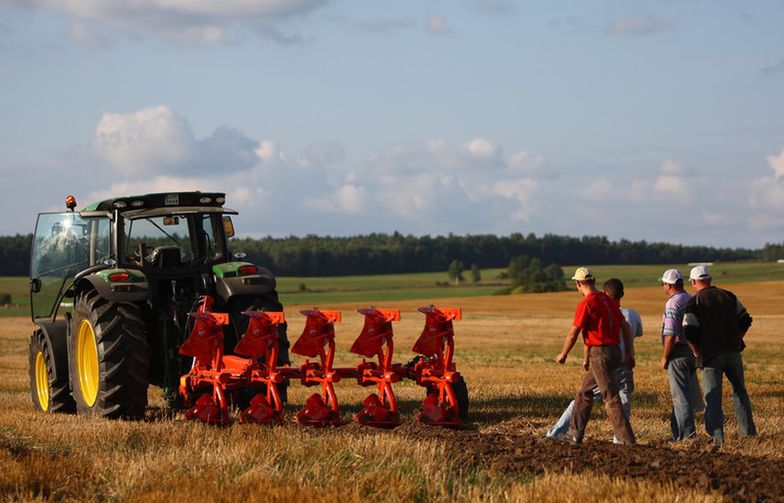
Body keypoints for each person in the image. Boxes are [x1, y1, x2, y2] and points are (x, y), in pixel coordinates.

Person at [546, 278, 642, 442]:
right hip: (617, 355)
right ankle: (574, 434)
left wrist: (564, 354)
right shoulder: (610, 303)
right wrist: (629, 353)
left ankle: (627, 441)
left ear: (578, 284)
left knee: (611, 397)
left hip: (601, 355)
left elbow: (577, 333)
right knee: (585, 392)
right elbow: (625, 327)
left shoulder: (589, 303)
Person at [683, 265, 756, 446]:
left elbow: (689, 332)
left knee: (713, 397)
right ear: (709, 279)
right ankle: (747, 433)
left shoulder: (694, 302)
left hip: (710, 356)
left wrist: (696, 351)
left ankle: (717, 438)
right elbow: (746, 320)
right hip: (733, 351)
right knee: (740, 392)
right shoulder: (728, 295)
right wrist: (737, 339)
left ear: (694, 282)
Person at [659, 268, 704, 441]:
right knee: (684, 393)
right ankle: (676, 432)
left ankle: (687, 436)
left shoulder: (673, 304)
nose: (663, 287)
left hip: (678, 353)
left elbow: (670, 334)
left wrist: (665, 356)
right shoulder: (691, 299)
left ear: (669, 285)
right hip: (692, 351)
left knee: (680, 397)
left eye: (664, 284)